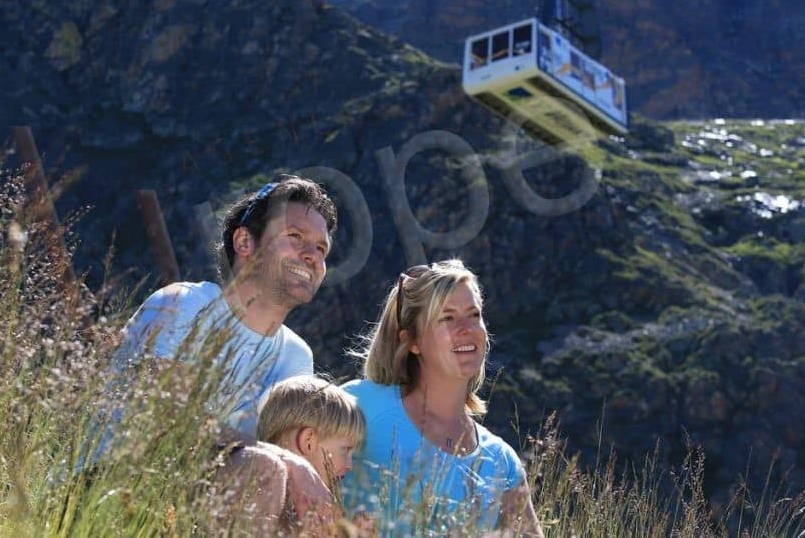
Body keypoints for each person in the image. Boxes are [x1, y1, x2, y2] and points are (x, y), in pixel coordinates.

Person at [105, 175, 339, 532]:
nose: (311, 255)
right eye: (295, 237)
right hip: (113, 490)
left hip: (211, 507)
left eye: (321, 249)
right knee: (266, 469)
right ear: (245, 242)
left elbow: (294, 465)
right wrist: (286, 463)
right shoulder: (184, 304)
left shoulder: (296, 358)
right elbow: (164, 420)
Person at [342, 260, 543, 537]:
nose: (467, 328)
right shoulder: (359, 406)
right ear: (412, 341)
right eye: (447, 318)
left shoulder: (500, 461)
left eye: (474, 315)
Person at [257, 376, 374, 536]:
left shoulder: (254, 496)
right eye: (345, 450)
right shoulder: (286, 513)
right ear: (308, 441)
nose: (349, 465)